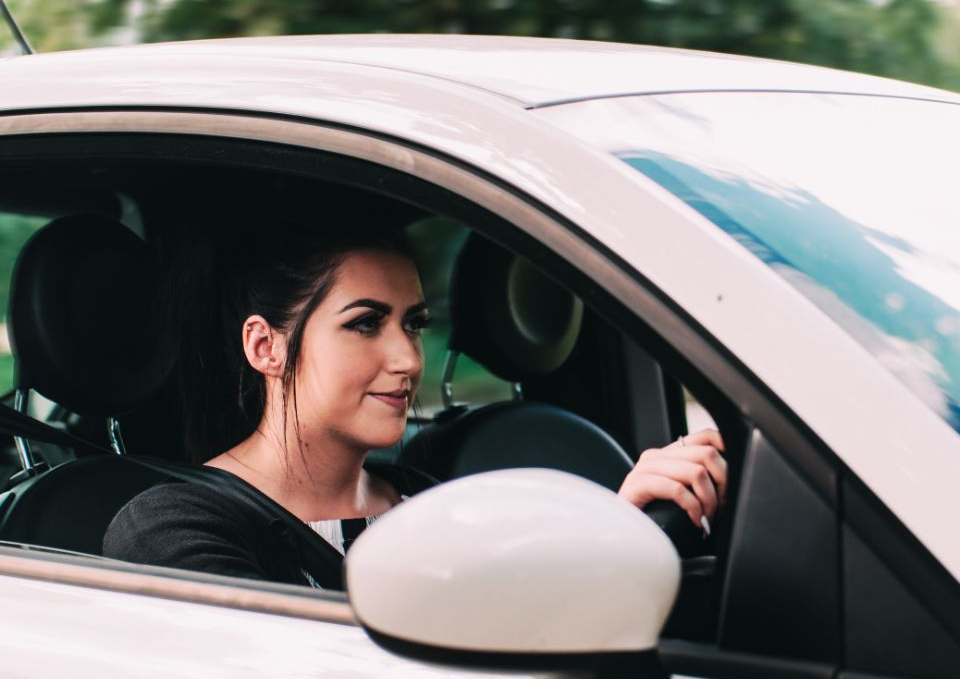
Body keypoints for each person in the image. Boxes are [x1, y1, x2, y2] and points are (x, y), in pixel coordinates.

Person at [104, 216, 726, 589]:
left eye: (414, 324)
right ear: (266, 346)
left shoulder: (436, 505)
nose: (407, 359)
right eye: (366, 324)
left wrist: (621, 527)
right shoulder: (172, 527)